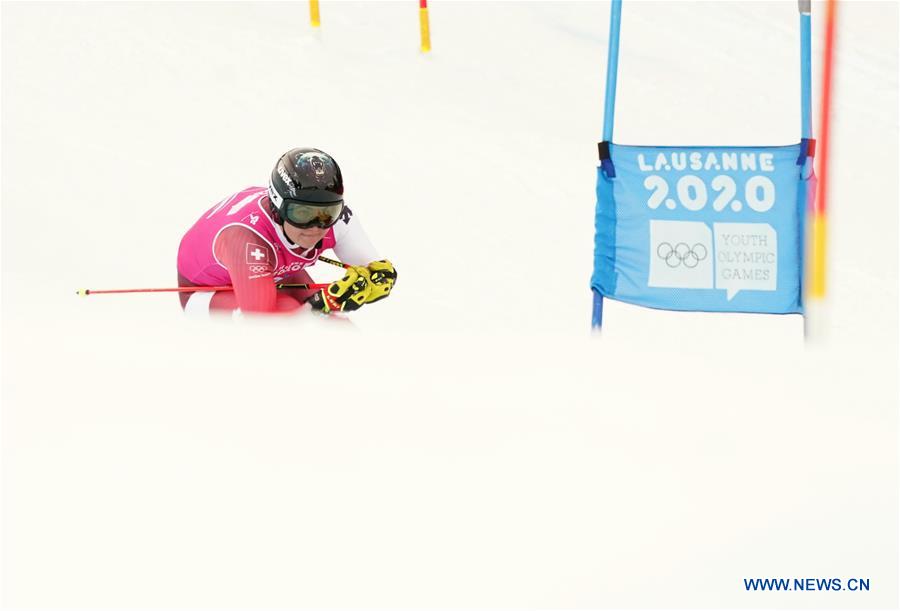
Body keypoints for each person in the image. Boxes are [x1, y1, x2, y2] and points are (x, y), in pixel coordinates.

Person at [176, 148, 396, 316]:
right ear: (277, 206)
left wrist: (374, 283)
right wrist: (323, 304)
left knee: (333, 321)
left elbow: (372, 269)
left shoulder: (338, 219)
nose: (316, 227)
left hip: (273, 270)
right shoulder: (246, 239)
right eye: (301, 213)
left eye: (328, 213)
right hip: (203, 291)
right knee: (290, 312)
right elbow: (261, 321)